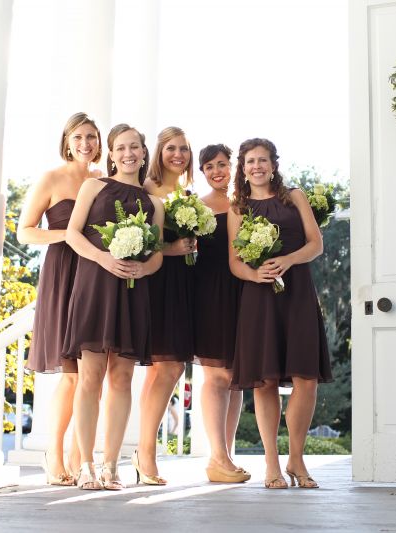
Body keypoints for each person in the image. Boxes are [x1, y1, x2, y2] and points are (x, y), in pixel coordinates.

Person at [61, 124, 164, 490]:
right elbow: (73, 233)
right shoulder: (94, 186)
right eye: (121, 147)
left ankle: (111, 465)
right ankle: (85, 465)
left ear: (142, 151)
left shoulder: (155, 203)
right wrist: (102, 259)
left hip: (133, 291)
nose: (127, 153)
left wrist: (143, 266)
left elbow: (157, 257)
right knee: (89, 378)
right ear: (112, 152)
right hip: (95, 284)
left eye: (134, 147)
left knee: (121, 378)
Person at [227, 138, 332, 489]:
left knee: (306, 377)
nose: (257, 166)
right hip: (259, 300)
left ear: (273, 164)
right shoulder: (237, 209)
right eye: (250, 161)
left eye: (263, 160)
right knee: (265, 379)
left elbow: (316, 244)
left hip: (299, 293)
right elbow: (235, 263)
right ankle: (271, 463)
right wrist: (254, 274)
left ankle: (297, 459)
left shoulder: (295, 197)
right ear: (242, 168)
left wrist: (288, 259)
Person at [18, 112, 102, 486]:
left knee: (91, 375)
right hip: (64, 273)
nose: (86, 143)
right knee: (70, 375)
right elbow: (25, 232)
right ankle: (54, 453)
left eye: (92, 137)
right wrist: (65, 236)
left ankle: (78, 456)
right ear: (67, 140)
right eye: (79, 136)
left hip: (97, 276)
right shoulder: (52, 178)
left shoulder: (102, 180)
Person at [135, 126, 196, 485]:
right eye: (171, 148)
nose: (178, 154)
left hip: (184, 284)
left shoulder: (188, 193)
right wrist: (173, 249)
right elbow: (144, 239)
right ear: (159, 152)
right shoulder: (147, 189)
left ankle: (144, 452)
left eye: (184, 148)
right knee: (168, 368)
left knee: (163, 371)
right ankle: (146, 452)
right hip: (156, 283)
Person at [192, 144, 249, 483]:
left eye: (223, 164)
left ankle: (226, 456)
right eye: (210, 166)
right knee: (216, 376)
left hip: (243, 290)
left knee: (236, 377)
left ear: (233, 167)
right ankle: (216, 456)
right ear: (202, 172)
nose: (217, 171)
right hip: (209, 292)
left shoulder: (245, 202)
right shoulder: (197, 207)